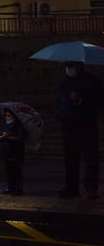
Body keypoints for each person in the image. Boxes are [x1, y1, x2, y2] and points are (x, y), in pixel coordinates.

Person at [54, 61, 102, 199]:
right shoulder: (64, 83)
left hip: (86, 123)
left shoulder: (91, 81)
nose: (69, 69)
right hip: (68, 124)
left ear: (80, 66)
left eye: (71, 66)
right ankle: (71, 188)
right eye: (67, 66)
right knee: (70, 158)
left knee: (90, 157)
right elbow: (59, 100)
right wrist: (60, 114)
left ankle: (91, 188)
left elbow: (98, 101)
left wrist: (81, 99)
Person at [0, 108, 26, 196]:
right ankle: (10, 188)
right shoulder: (6, 125)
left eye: (9, 116)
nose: (7, 118)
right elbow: (1, 135)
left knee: (17, 171)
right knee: (9, 170)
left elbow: (20, 139)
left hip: (16, 152)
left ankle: (18, 189)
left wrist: (8, 137)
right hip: (7, 151)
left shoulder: (19, 126)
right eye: (6, 116)